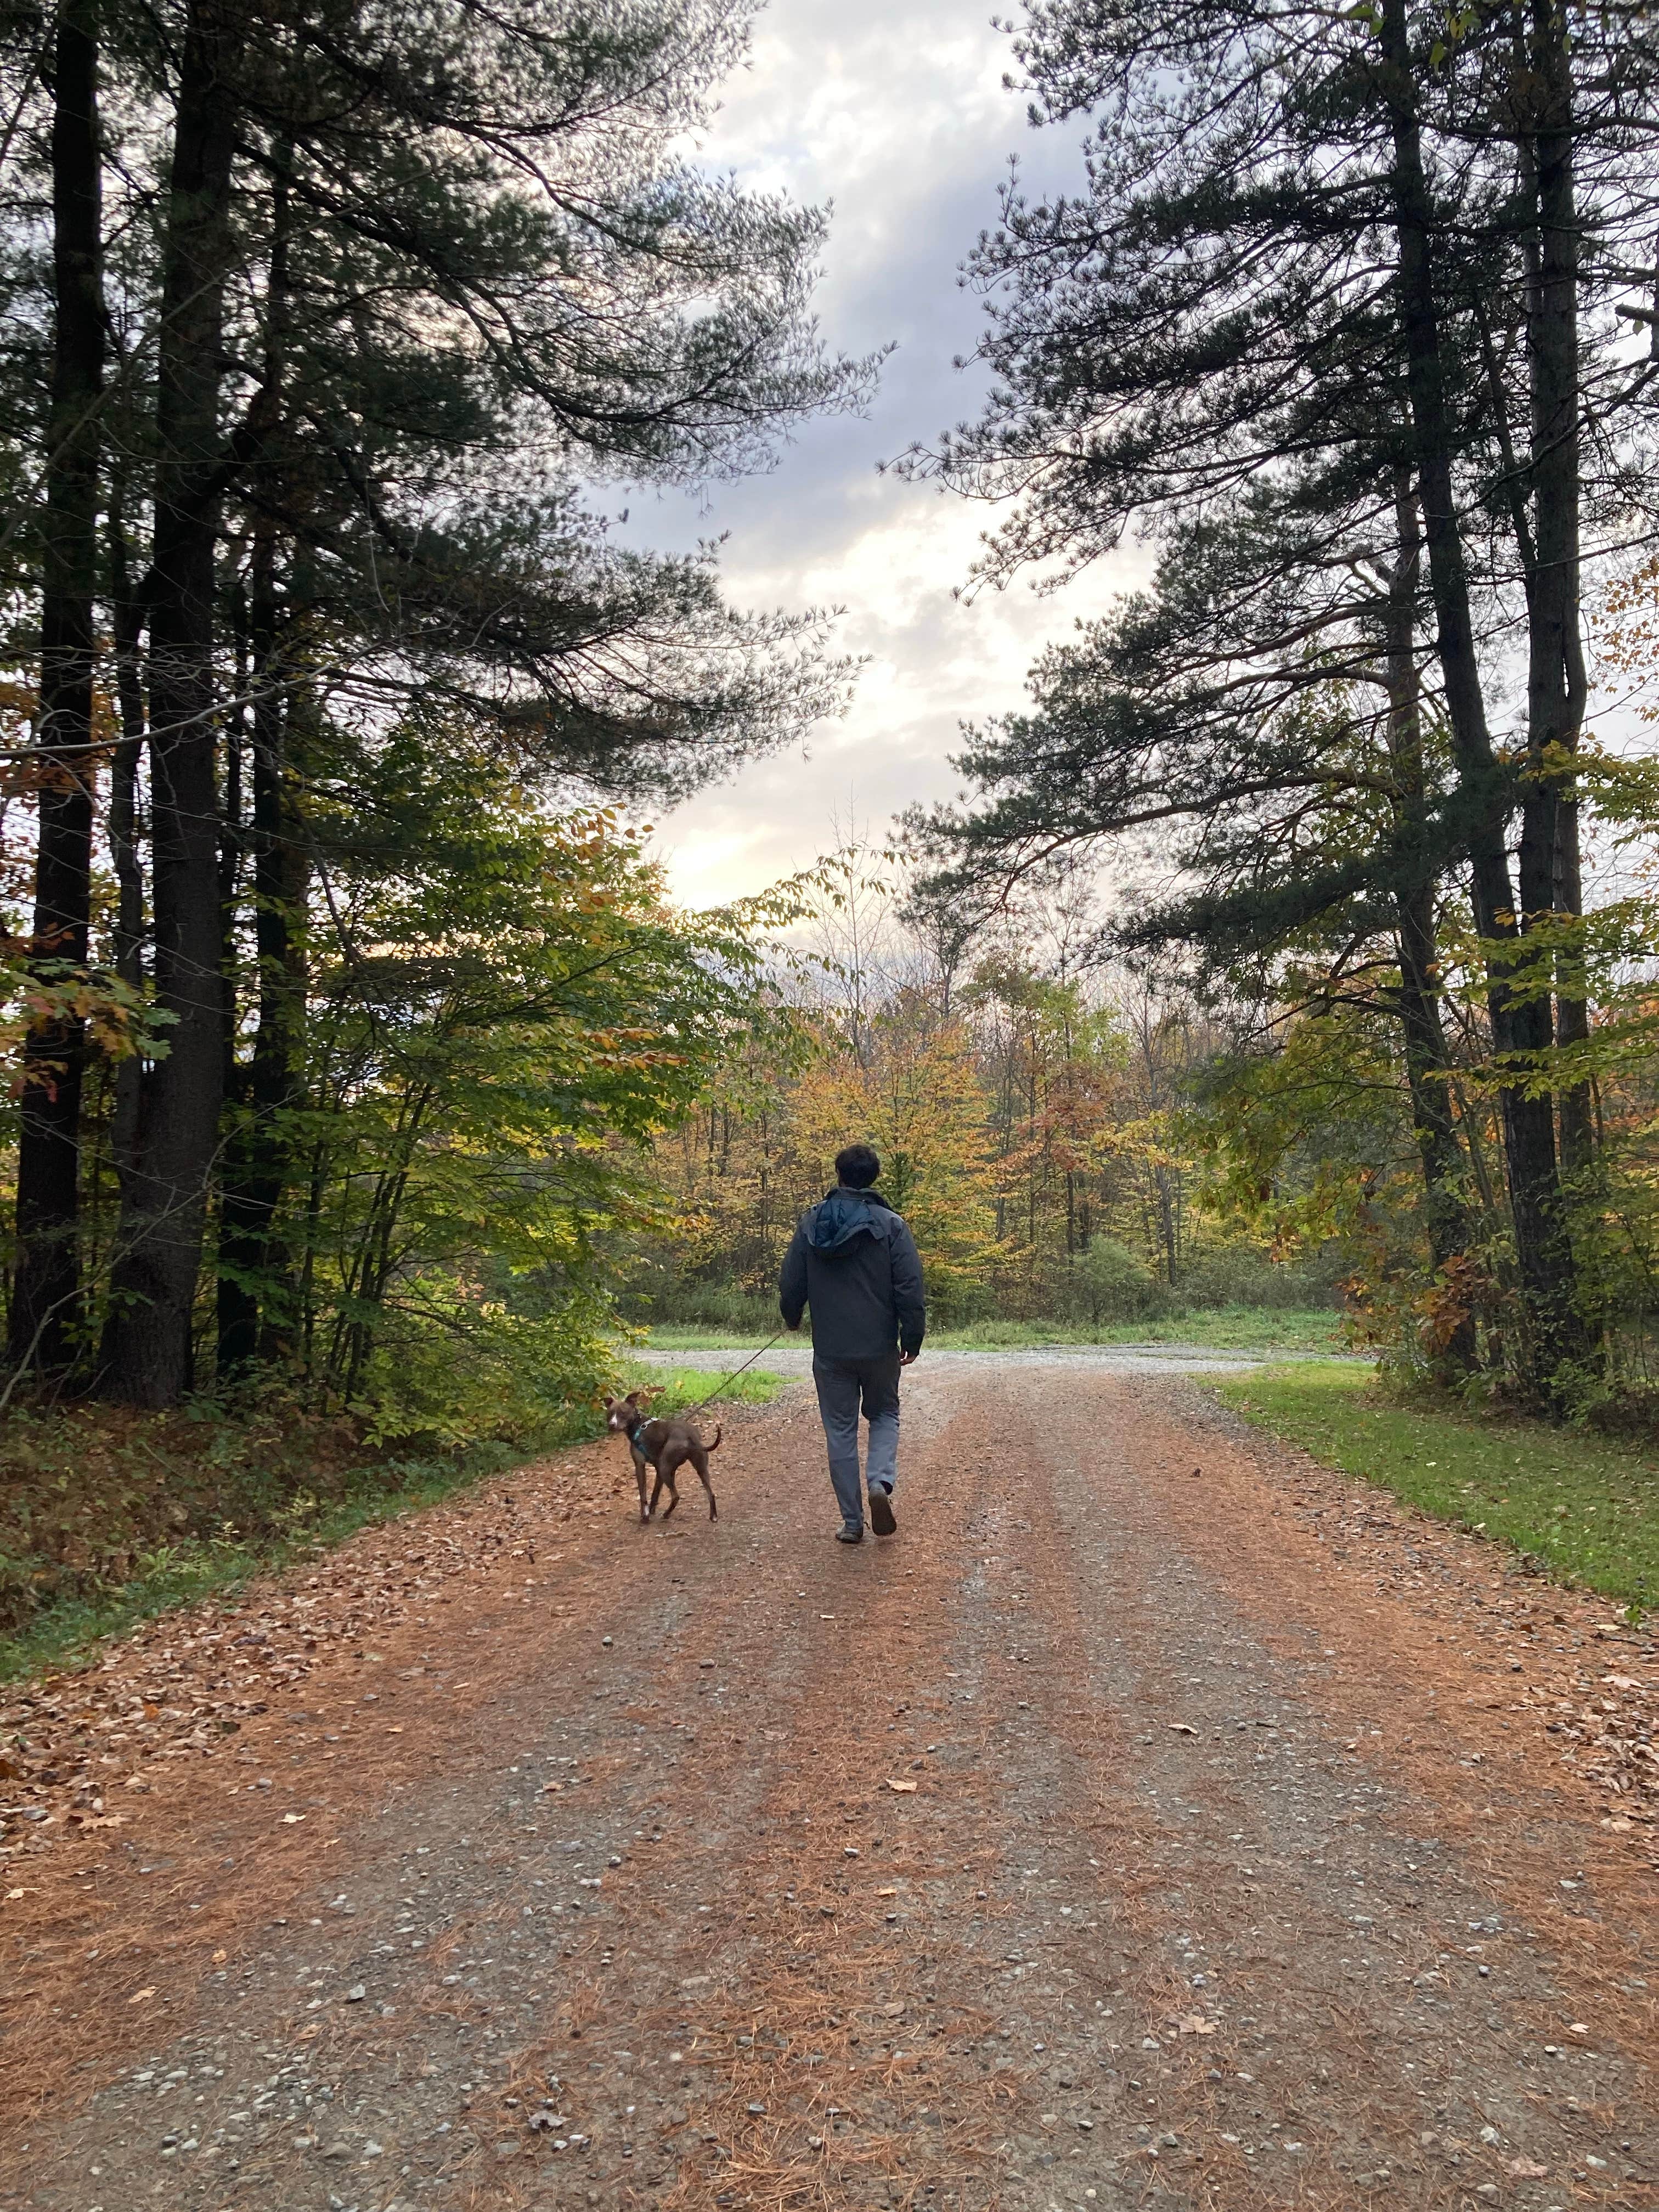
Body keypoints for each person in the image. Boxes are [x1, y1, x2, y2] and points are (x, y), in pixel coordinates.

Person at [778, 1142, 926, 1542]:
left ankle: (850, 1522)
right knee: (885, 1414)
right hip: (879, 1347)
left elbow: (791, 1281)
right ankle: (879, 1481)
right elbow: (909, 1287)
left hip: (830, 1349)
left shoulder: (811, 1223)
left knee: (840, 1430)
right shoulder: (891, 1225)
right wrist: (911, 1337)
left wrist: (791, 1317)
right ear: (873, 1178)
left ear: (839, 1175)